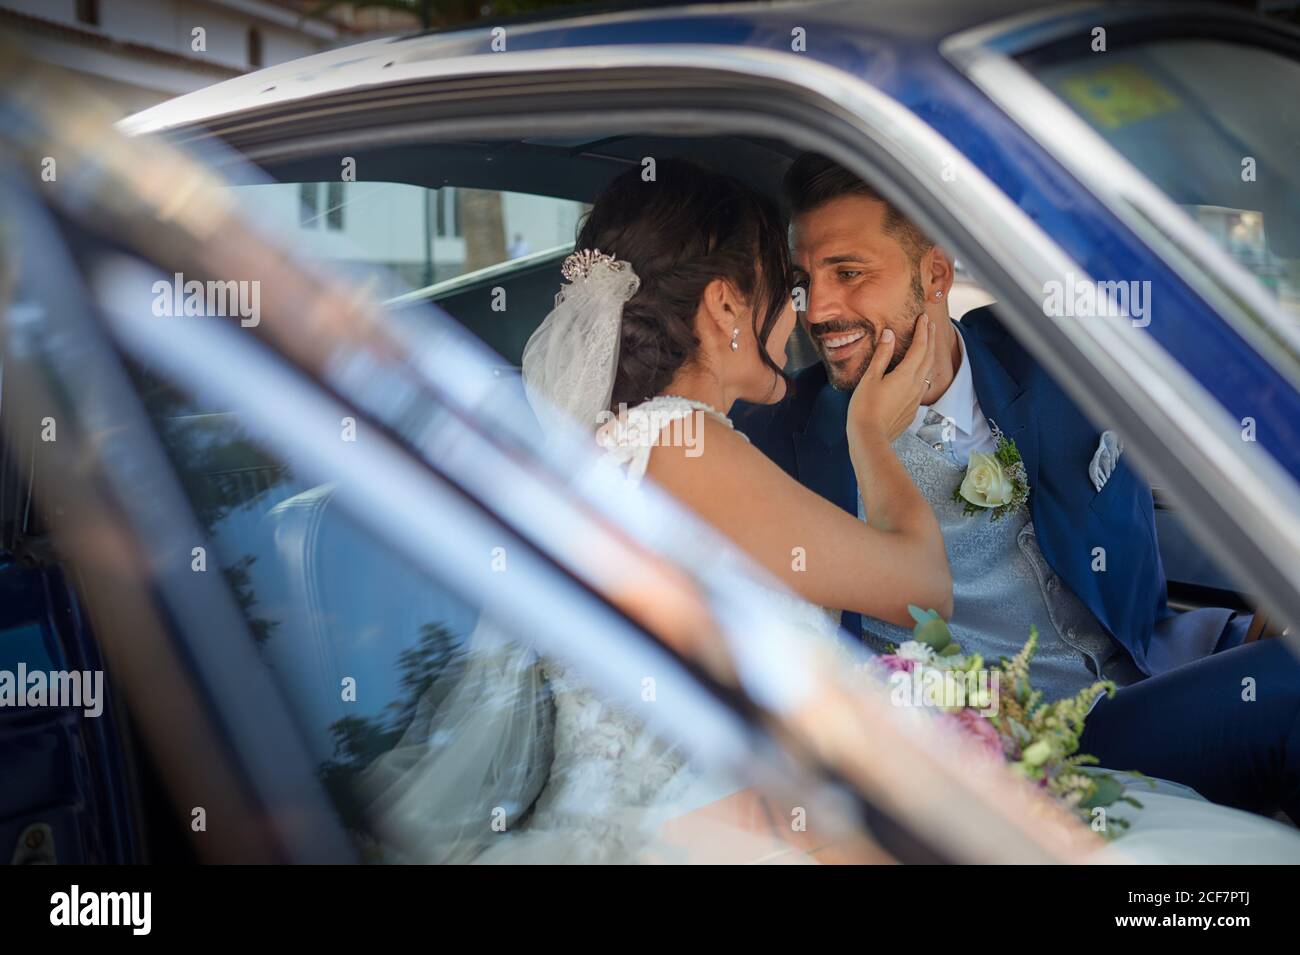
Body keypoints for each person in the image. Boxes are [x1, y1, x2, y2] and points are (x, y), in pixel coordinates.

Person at [733, 152, 1300, 829]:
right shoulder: (777, 441)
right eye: (805, 281)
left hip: (1164, 660)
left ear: (935, 274)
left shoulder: (1053, 345)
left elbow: (1227, 399)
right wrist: (869, 438)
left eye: (848, 273)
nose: (817, 308)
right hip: (1042, 742)